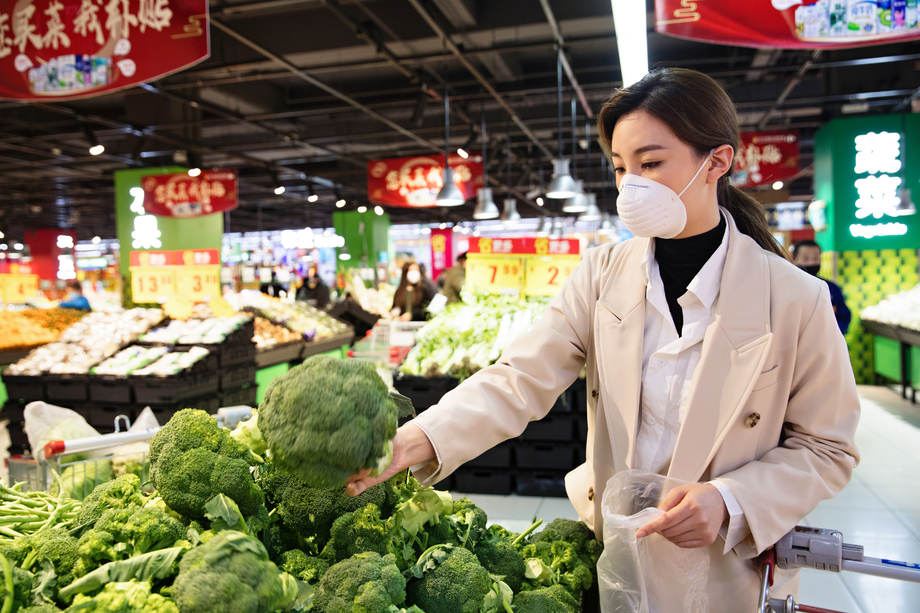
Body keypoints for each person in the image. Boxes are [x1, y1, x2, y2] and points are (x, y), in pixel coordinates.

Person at [348, 68, 859, 607]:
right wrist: (417, 439)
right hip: (615, 552)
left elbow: (827, 447)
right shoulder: (600, 275)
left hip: (727, 568)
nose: (630, 184)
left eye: (651, 163)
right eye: (620, 167)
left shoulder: (796, 298)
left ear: (717, 161)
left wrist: (731, 499)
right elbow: (518, 377)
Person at [791, 239, 851, 335]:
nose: (811, 263)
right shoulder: (788, 289)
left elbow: (843, 316)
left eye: (815, 258)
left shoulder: (830, 288)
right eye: (805, 259)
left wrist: (833, 335)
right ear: (794, 259)